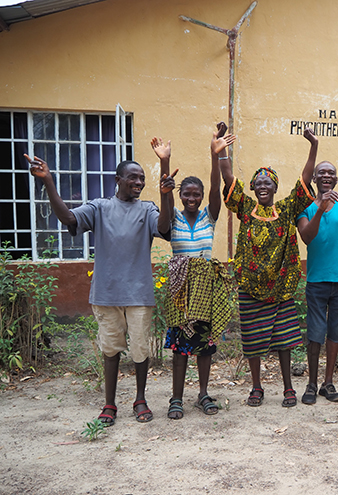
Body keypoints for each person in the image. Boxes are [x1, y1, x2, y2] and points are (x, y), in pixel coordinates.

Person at [25, 153, 173, 426]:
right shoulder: (99, 207)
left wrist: (166, 196)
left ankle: (140, 399)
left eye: (142, 178)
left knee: (140, 350)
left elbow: (164, 227)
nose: (138, 182)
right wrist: (48, 181)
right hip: (106, 292)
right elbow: (67, 217)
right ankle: (109, 403)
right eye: (133, 177)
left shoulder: (148, 209)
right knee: (110, 350)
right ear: (118, 180)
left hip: (139, 293)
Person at [220, 127, 318, 407]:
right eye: (258, 183)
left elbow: (306, 178)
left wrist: (313, 145)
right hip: (250, 288)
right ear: (252, 188)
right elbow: (228, 178)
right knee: (252, 342)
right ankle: (257, 387)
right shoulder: (245, 209)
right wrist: (220, 152)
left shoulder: (287, 209)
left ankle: (288, 387)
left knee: (284, 341)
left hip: (282, 289)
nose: (263, 186)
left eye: (268, 183)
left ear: (276, 187)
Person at [151, 123, 236, 419]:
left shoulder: (209, 217)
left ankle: (202, 394)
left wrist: (215, 155)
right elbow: (162, 217)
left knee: (205, 345)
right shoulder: (171, 217)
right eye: (186, 193)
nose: (191, 198)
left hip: (206, 285)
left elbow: (216, 189)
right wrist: (165, 163)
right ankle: (176, 398)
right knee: (178, 345)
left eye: (195, 194)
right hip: (180, 287)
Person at [296, 161, 338, 405]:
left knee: (335, 333)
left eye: (331, 173)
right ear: (315, 178)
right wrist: (320, 208)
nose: (327, 175)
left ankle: (328, 383)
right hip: (316, 281)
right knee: (315, 333)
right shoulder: (305, 208)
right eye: (322, 172)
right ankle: (311, 384)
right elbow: (306, 237)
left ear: (336, 180)